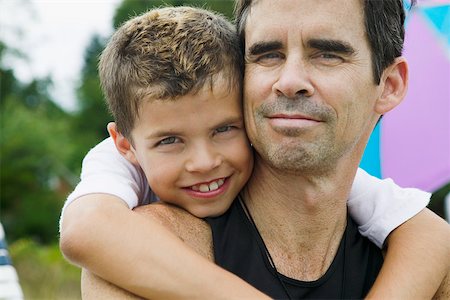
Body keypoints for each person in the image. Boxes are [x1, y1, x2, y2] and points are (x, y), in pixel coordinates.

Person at [60, 2, 450, 299]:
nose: (290, 81)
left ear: (389, 84)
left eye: (327, 53)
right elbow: (86, 228)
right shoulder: (141, 257)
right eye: (267, 55)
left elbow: (432, 235)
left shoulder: (419, 260)